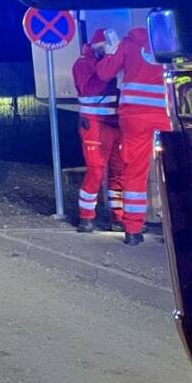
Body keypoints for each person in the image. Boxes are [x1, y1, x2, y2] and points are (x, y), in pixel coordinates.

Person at [97, 27, 172, 245]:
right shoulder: (167, 41)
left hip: (134, 117)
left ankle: (132, 230)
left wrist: (111, 52)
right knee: (174, 170)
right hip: (164, 115)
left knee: (135, 170)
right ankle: (174, 226)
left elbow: (104, 73)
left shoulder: (128, 44)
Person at [73, 29, 121, 233]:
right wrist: (110, 63)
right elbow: (91, 87)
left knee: (120, 172)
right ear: (95, 46)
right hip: (94, 124)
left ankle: (118, 218)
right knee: (96, 169)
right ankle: (86, 217)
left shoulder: (109, 62)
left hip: (116, 123)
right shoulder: (82, 64)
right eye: (103, 48)